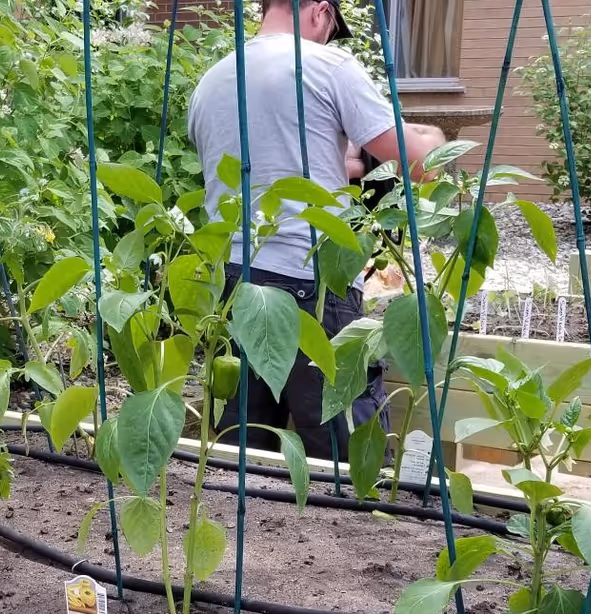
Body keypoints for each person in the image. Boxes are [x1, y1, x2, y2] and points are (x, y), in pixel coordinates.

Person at [187, 0, 449, 460]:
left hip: (233, 286)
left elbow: (271, 161)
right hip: (311, 283)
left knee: (241, 455)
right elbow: (420, 163)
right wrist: (434, 136)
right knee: (346, 453)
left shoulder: (213, 80)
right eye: (331, 28)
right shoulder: (327, 65)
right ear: (321, 11)